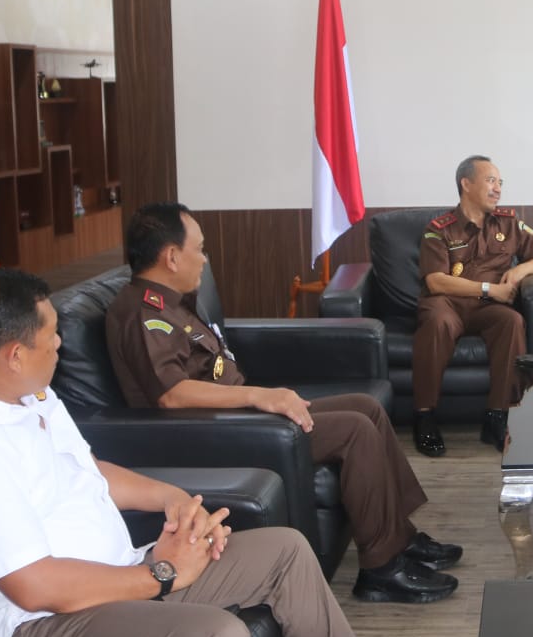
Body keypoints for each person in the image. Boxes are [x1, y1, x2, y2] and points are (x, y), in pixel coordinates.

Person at [0, 268, 463, 637]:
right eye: (50, 335)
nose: (59, 344)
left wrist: (171, 499)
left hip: (117, 575)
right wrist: (162, 574)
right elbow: (35, 587)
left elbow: (87, 471)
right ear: (13, 354)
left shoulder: (26, 393)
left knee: (287, 552)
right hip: (35, 633)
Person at [106, 202, 462, 605]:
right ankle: (381, 569)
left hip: (238, 417)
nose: (204, 259)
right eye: (199, 249)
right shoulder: (143, 312)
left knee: (368, 408)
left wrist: (260, 399)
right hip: (215, 434)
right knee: (354, 430)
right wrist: (258, 395)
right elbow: (172, 394)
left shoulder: (173, 302)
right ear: (171, 256)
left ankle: (399, 535)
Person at [413, 155, 533, 455]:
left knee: (511, 322)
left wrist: (520, 270)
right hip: (447, 303)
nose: (498, 189)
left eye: (500, 182)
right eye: (490, 181)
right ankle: (424, 416)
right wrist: (489, 289)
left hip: (487, 308)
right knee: (439, 323)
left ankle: (498, 416)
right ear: (466, 184)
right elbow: (436, 281)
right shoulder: (439, 228)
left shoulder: (508, 222)